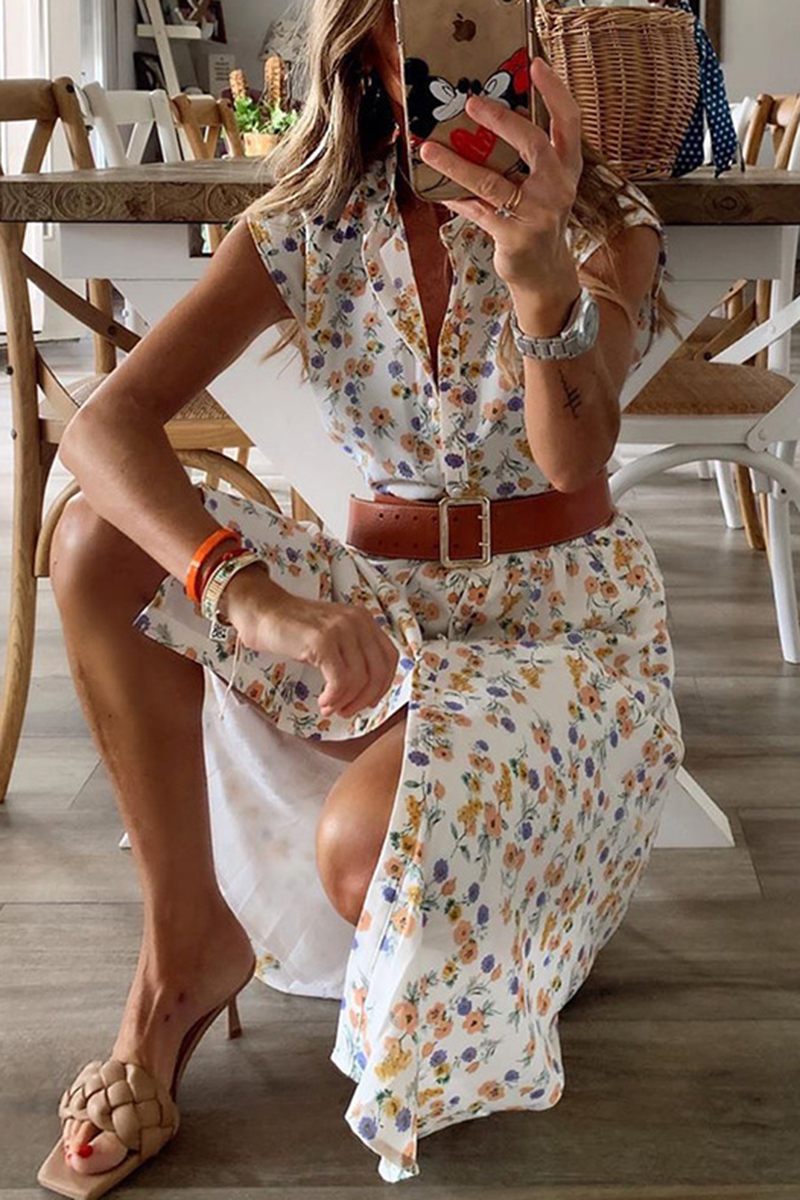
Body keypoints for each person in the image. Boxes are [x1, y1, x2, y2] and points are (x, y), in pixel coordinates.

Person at [37, 0, 684, 1194]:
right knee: (93, 542)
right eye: (425, 11)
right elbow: (100, 426)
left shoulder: (601, 218)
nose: (455, 37)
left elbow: (570, 461)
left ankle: (524, 904)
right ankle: (180, 955)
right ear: (371, 39)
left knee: (362, 853)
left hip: (562, 631)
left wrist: (540, 283)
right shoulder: (309, 225)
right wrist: (243, 593)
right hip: (384, 603)